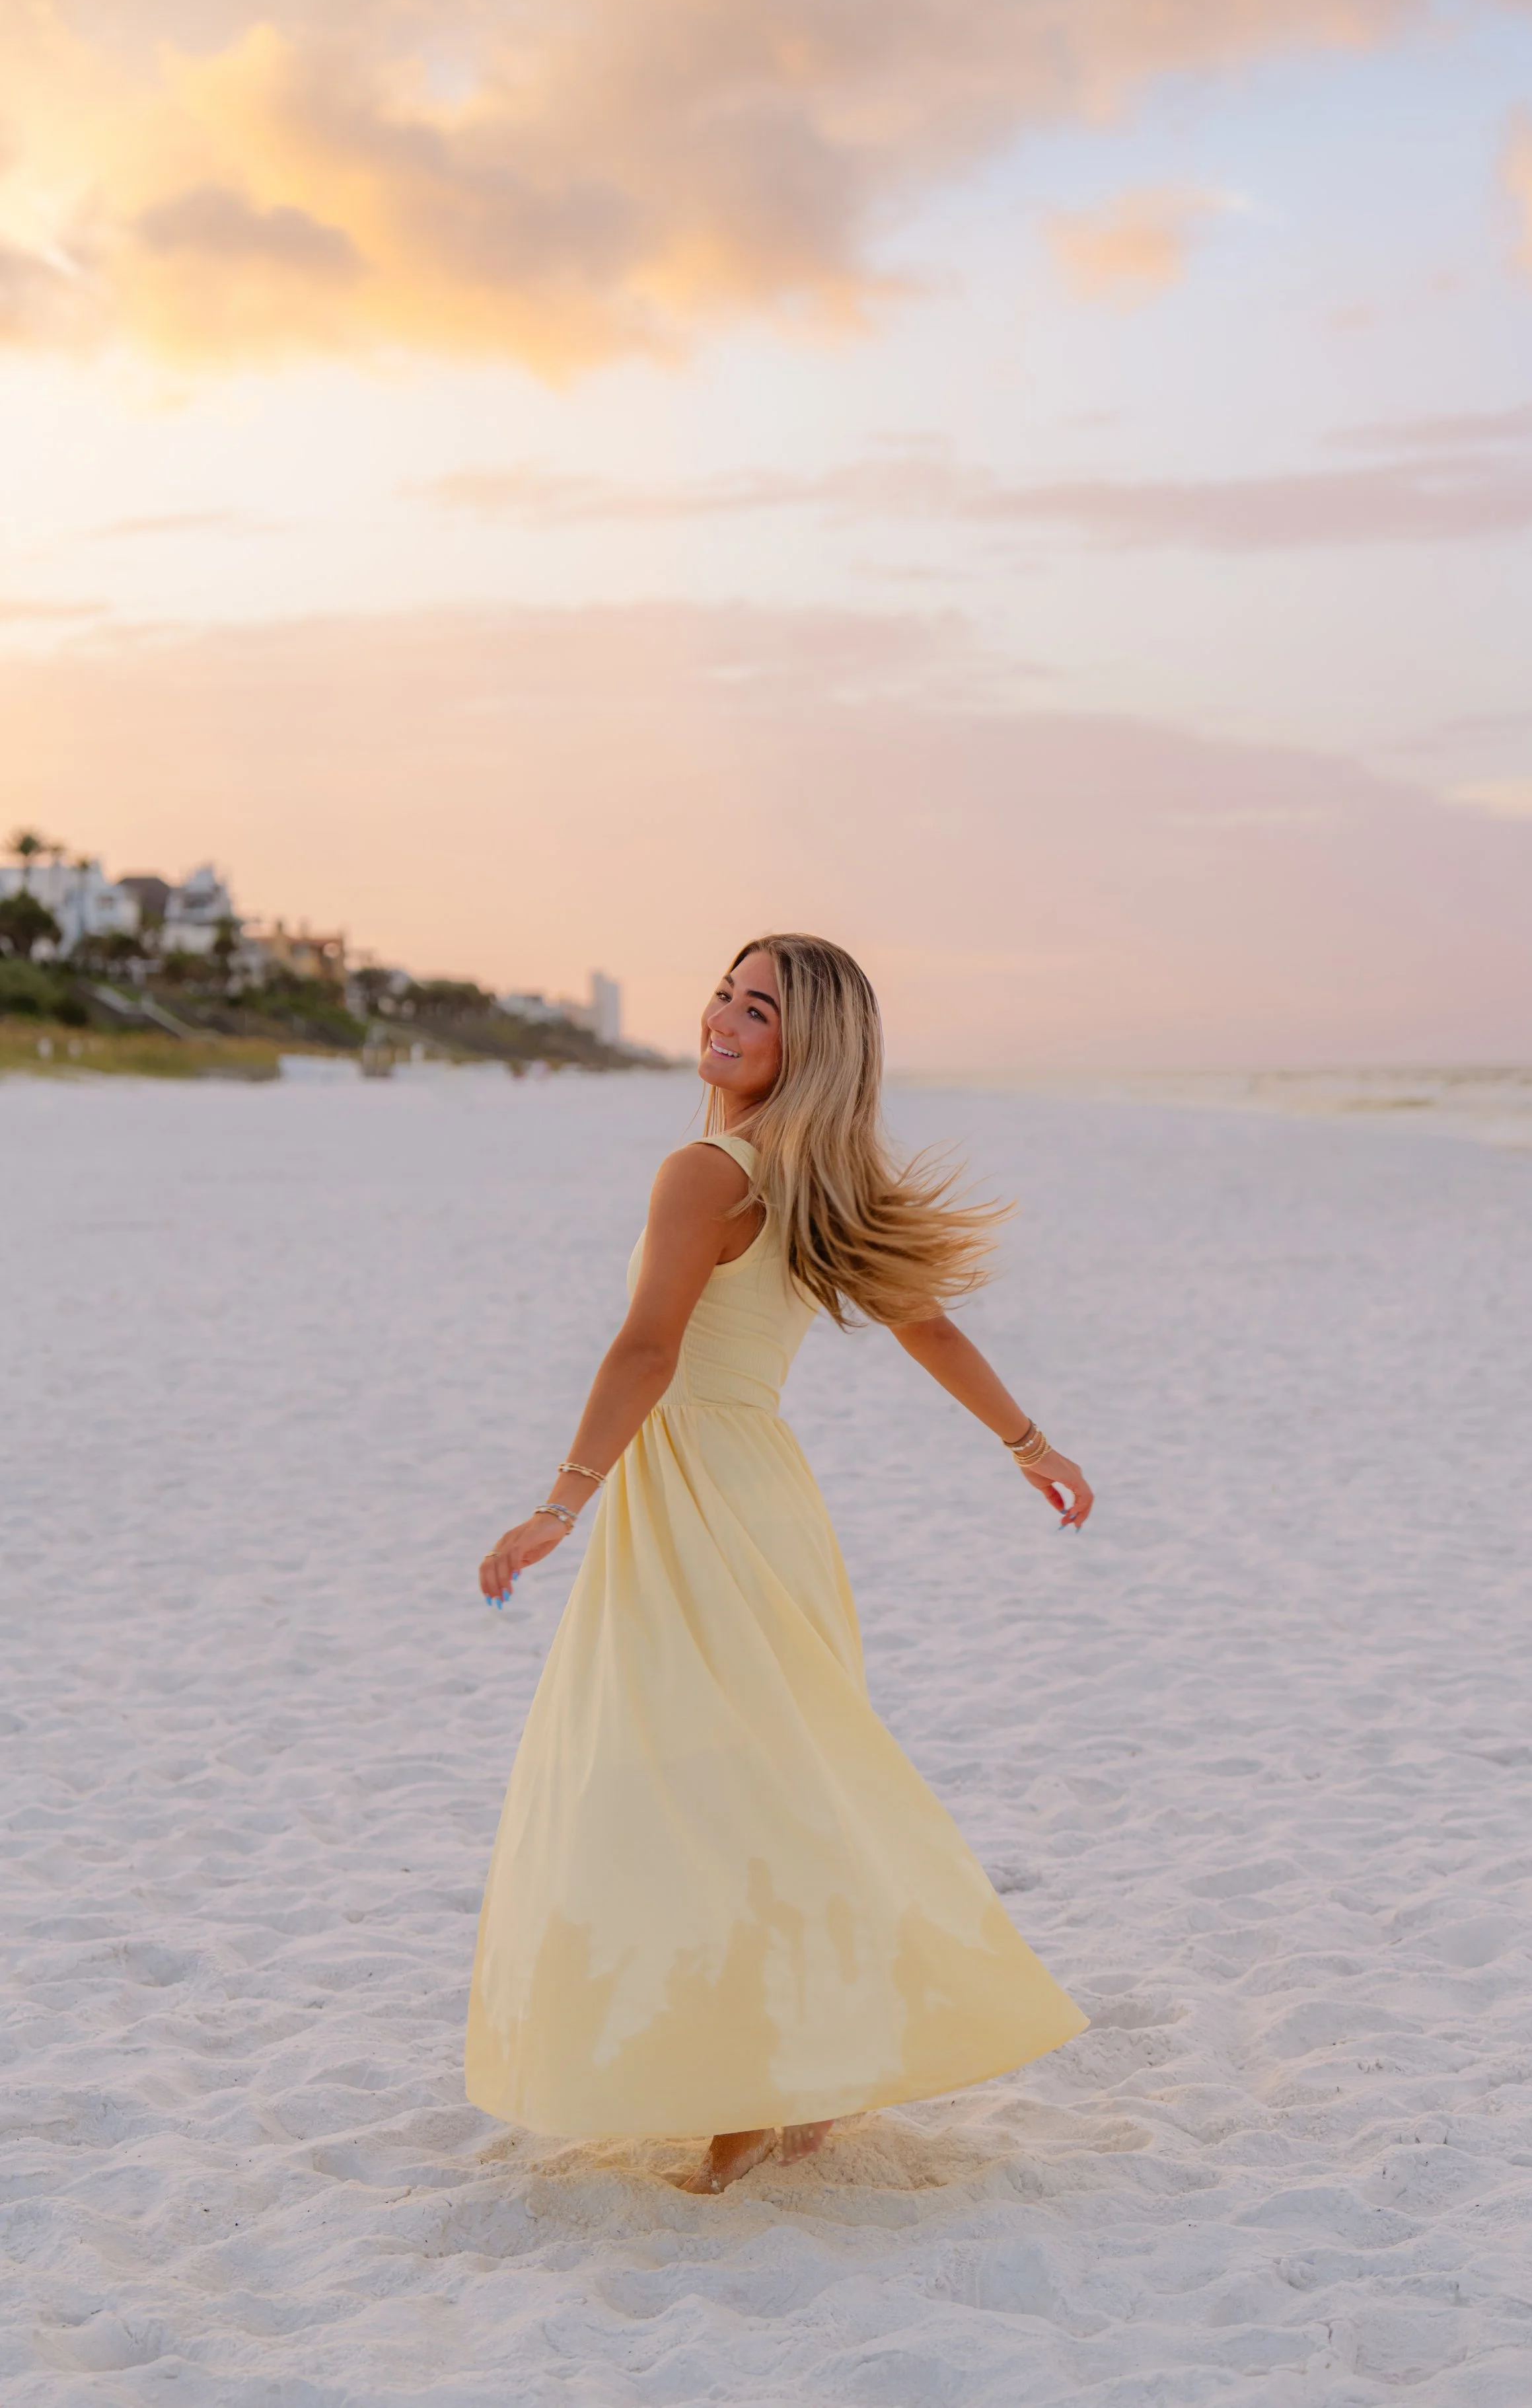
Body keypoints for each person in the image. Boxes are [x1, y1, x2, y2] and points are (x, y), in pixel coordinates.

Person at [468, 932, 1091, 2194]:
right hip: (762, 1497)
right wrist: (1026, 1441)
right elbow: (926, 1322)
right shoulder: (809, 1176)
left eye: (760, 1008)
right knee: (762, 1777)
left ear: (806, 1045)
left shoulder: (706, 1169)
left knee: (697, 1785)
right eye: (726, 991)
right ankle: (801, 2071)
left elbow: (648, 1350)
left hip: (690, 1493)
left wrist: (559, 1503)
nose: (726, 1016)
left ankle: (749, 2096)